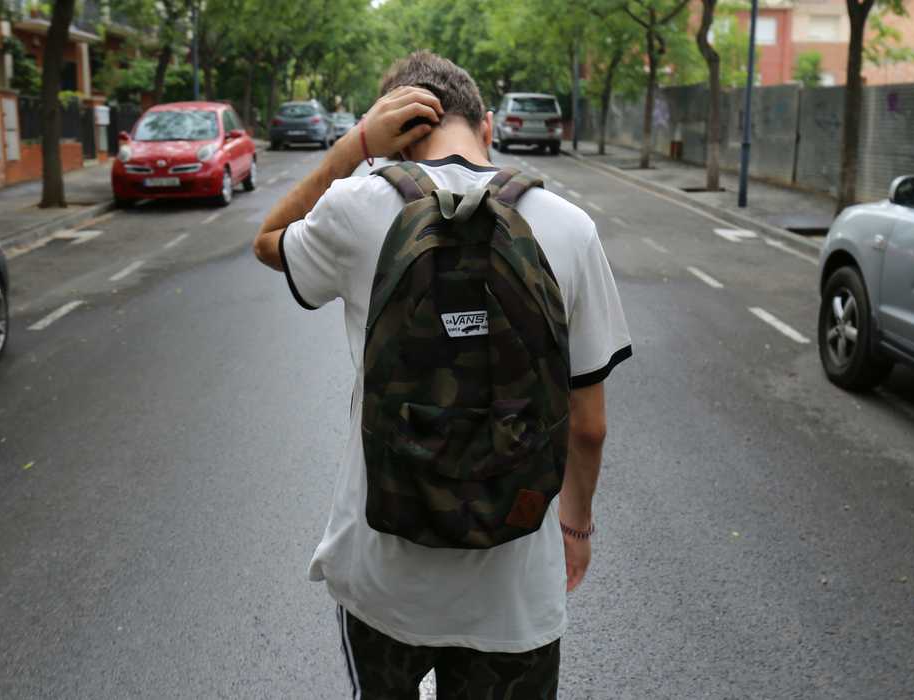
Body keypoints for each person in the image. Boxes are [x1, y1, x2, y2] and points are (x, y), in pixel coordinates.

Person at [252, 51, 631, 698]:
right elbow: (588, 427)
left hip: (381, 574)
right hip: (514, 593)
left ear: (391, 128)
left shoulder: (355, 208)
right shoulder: (570, 229)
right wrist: (575, 529)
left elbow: (269, 239)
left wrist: (352, 149)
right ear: (486, 125)